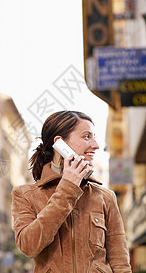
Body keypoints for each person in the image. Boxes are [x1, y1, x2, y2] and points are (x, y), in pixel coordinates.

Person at [12, 110, 132, 273]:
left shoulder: (105, 197)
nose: (96, 145)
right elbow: (28, 246)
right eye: (86, 136)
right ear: (60, 143)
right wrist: (68, 187)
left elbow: (120, 263)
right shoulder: (25, 195)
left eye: (94, 137)